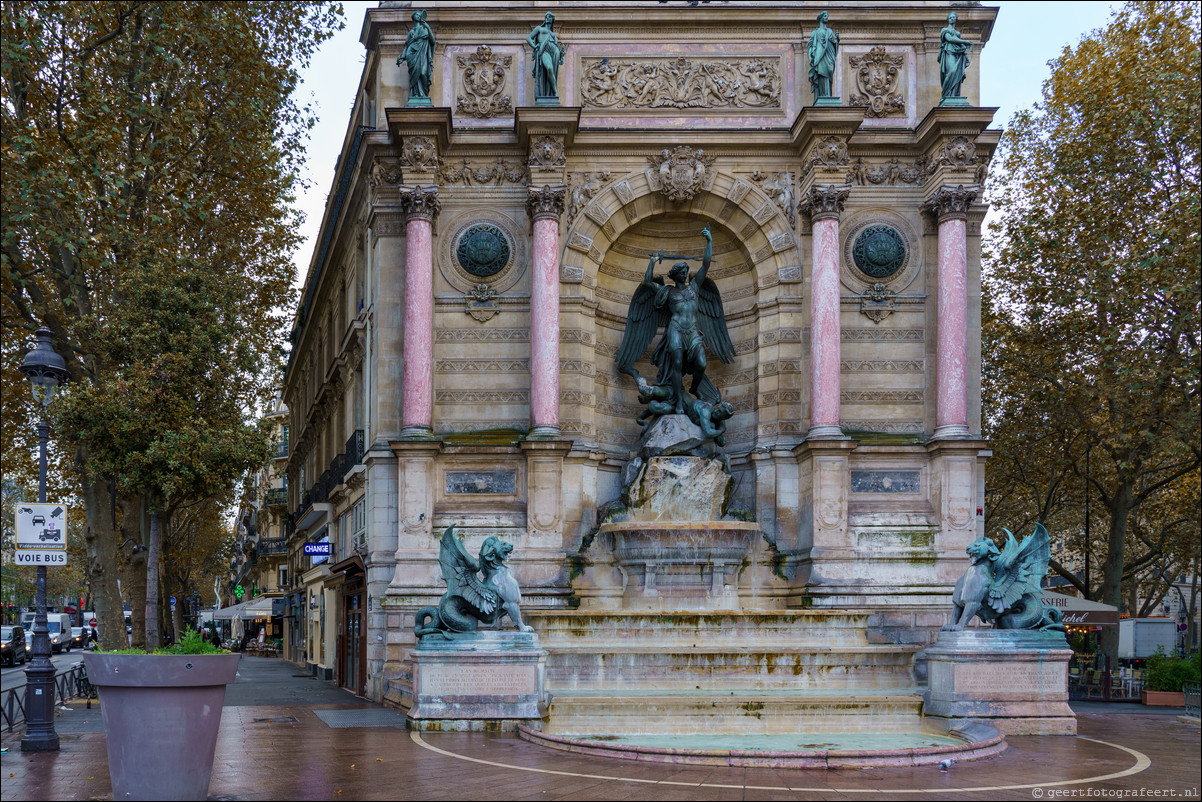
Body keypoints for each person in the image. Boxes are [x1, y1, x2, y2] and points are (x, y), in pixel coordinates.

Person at [526, 12, 565, 102]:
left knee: (553, 70)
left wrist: (561, 54)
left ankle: (552, 94)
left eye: (550, 17)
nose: (547, 18)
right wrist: (534, 46)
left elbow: (556, 45)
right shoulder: (539, 29)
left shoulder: (553, 35)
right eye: (546, 17)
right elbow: (528, 38)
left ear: (552, 20)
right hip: (544, 50)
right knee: (549, 68)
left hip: (554, 51)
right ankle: (555, 92)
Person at [399, 9, 435, 102]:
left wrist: (428, 28)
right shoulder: (411, 32)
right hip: (411, 53)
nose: (419, 16)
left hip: (422, 52)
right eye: (417, 15)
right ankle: (415, 94)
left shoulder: (424, 28)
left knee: (423, 72)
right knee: (414, 74)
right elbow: (407, 45)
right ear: (413, 17)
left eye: (419, 15)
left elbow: (433, 41)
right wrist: (402, 57)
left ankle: (423, 94)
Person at [938, 11, 973, 101]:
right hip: (949, 52)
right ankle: (945, 95)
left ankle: (954, 95)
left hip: (957, 53)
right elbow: (949, 38)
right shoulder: (945, 30)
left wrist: (965, 49)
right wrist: (964, 42)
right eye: (950, 17)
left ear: (956, 19)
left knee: (957, 73)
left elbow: (958, 42)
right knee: (952, 71)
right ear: (948, 19)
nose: (952, 18)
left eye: (954, 17)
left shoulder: (957, 33)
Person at [807, 10, 840, 100]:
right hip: (819, 56)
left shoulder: (829, 31)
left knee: (828, 73)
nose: (827, 18)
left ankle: (828, 95)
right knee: (821, 74)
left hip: (829, 55)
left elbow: (833, 44)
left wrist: (837, 40)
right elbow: (810, 45)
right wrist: (811, 57)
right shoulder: (815, 32)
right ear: (821, 18)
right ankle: (822, 96)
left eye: (827, 16)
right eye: (825, 16)